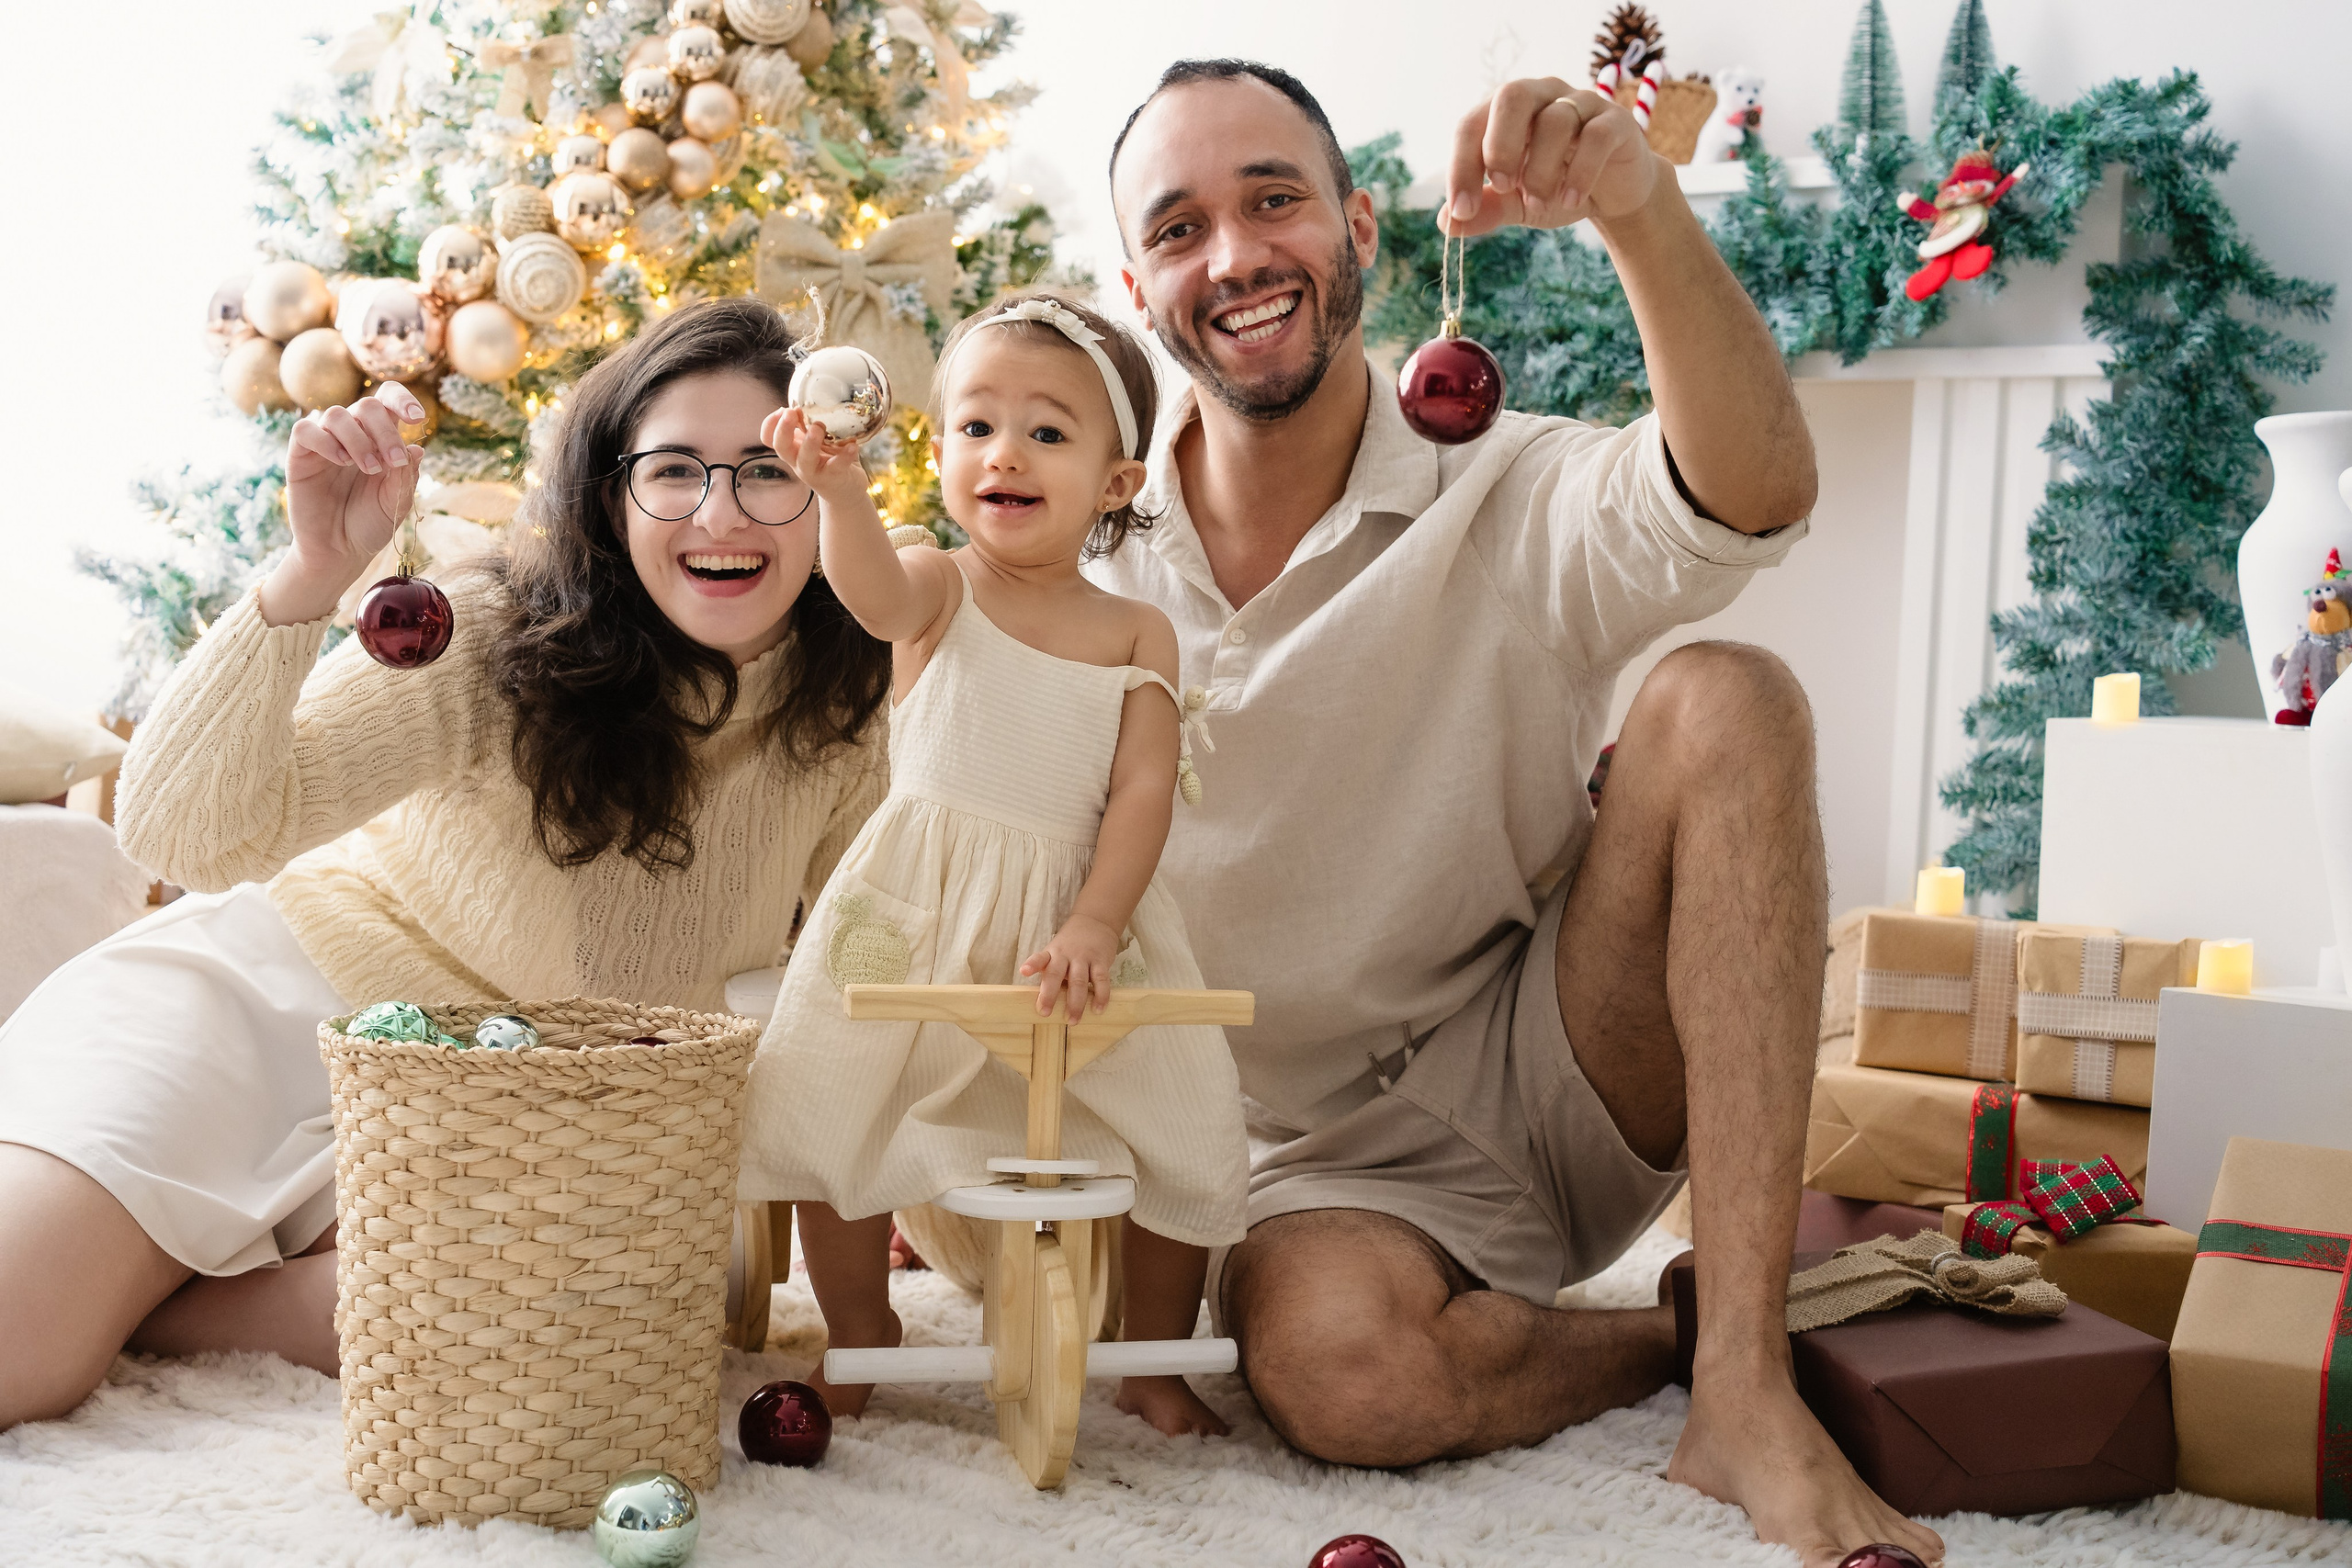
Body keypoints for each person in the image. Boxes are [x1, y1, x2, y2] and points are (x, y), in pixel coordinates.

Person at [1097, 59, 1944, 1568]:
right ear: (1134, 283)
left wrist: (1638, 208)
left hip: (1555, 1061)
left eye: (1274, 200)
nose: (1233, 255)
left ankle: (1748, 1378)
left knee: (1729, 691)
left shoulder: (1497, 480)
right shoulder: (1082, 557)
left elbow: (1751, 492)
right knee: (1343, 1375)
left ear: (1360, 227)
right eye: (1180, 228)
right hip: (1303, 1162)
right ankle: (1659, 1347)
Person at [0, 299, 890, 1431]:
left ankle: (149, 1295)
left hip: (480, 1118)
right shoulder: (490, 634)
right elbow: (184, 833)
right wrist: (312, 574)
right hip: (266, 1016)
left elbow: (871, 947)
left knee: (601, 1318)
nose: (723, 515)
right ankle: (101, 1279)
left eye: (767, 472)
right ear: (611, 496)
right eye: (673, 471)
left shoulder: (848, 706)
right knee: (17, 1355)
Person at [741, 291, 1249, 1437]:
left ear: (1116, 483)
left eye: (1047, 433)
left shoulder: (1134, 633)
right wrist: (838, 492)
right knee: (830, 1101)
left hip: (1077, 913)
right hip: (910, 904)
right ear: (940, 449)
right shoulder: (937, 580)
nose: (1003, 454)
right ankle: (860, 1322)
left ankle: (1152, 1355)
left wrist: (1096, 921)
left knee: (1184, 1101)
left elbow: (1141, 791)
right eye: (975, 427)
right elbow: (870, 595)